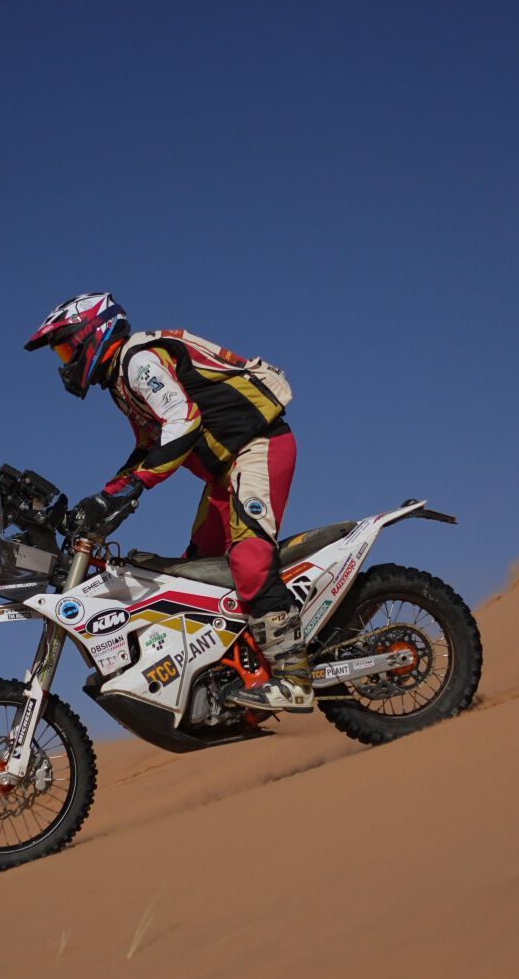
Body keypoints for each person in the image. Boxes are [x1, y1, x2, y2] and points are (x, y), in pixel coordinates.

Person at [24, 292, 309, 712]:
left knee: (249, 560)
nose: (65, 362)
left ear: (93, 333)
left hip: (257, 447)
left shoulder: (138, 361)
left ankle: (294, 676)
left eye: (66, 348)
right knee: (196, 574)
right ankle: (234, 672)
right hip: (225, 471)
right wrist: (104, 498)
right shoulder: (122, 382)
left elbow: (183, 422)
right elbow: (149, 446)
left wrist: (131, 489)